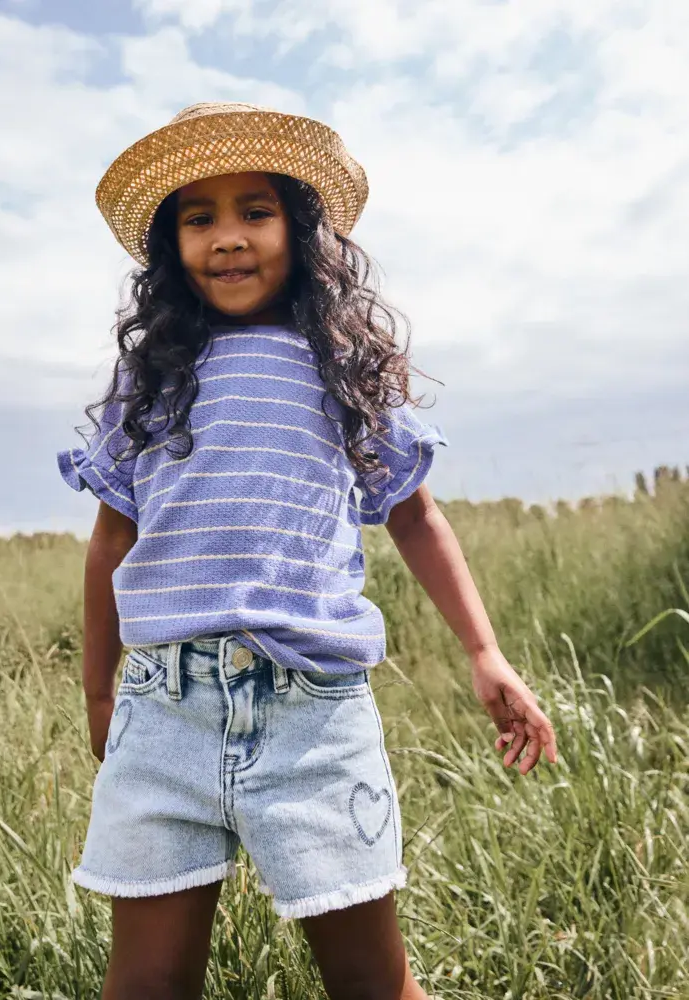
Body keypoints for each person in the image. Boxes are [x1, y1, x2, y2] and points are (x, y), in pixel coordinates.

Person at [57, 102, 557, 1000]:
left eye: (256, 210)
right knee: (144, 985)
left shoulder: (339, 366)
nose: (228, 238)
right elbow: (110, 543)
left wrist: (486, 653)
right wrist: (98, 692)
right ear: (172, 247)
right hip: (163, 714)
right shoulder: (154, 376)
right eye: (198, 218)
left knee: (373, 983)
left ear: (300, 225)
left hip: (312, 717)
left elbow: (415, 518)